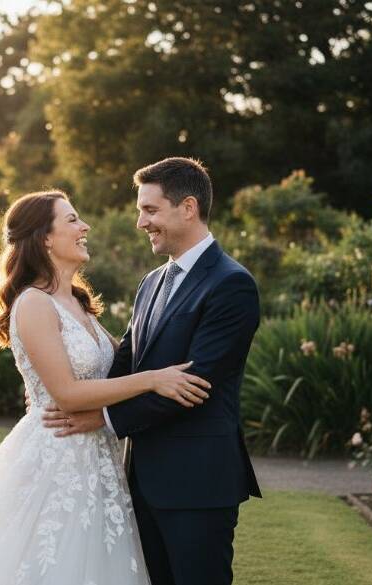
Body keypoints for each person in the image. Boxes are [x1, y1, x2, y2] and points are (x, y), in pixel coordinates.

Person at [0, 189, 211, 585]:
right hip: (56, 457)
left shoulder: (78, 305)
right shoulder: (33, 303)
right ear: (44, 237)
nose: (85, 227)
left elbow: (114, 370)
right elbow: (66, 393)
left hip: (97, 459)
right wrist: (155, 380)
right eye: (72, 220)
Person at [39, 157, 262, 585]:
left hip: (197, 482)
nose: (141, 222)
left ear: (189, 208)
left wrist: (102, 418)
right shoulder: (152, 282)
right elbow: (127, 362)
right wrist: (68, 389)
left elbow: (193, 385)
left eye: (150, 210)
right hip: (141, 478)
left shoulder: (231, 284)